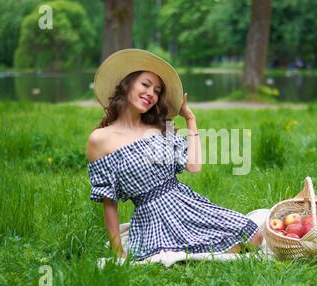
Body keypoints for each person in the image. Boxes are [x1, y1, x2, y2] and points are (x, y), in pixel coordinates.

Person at [86, 49, 263, 261]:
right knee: (184, 255)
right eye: (145, 84)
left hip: (187, 204)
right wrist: (118, 252)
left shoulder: (158, 128)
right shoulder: (100, 140)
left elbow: (194, 167)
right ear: (127, 85)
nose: (152, 93)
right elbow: (109, 203)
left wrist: (190, 119)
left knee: (254, 237)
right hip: (152, 218)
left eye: (157, 90)